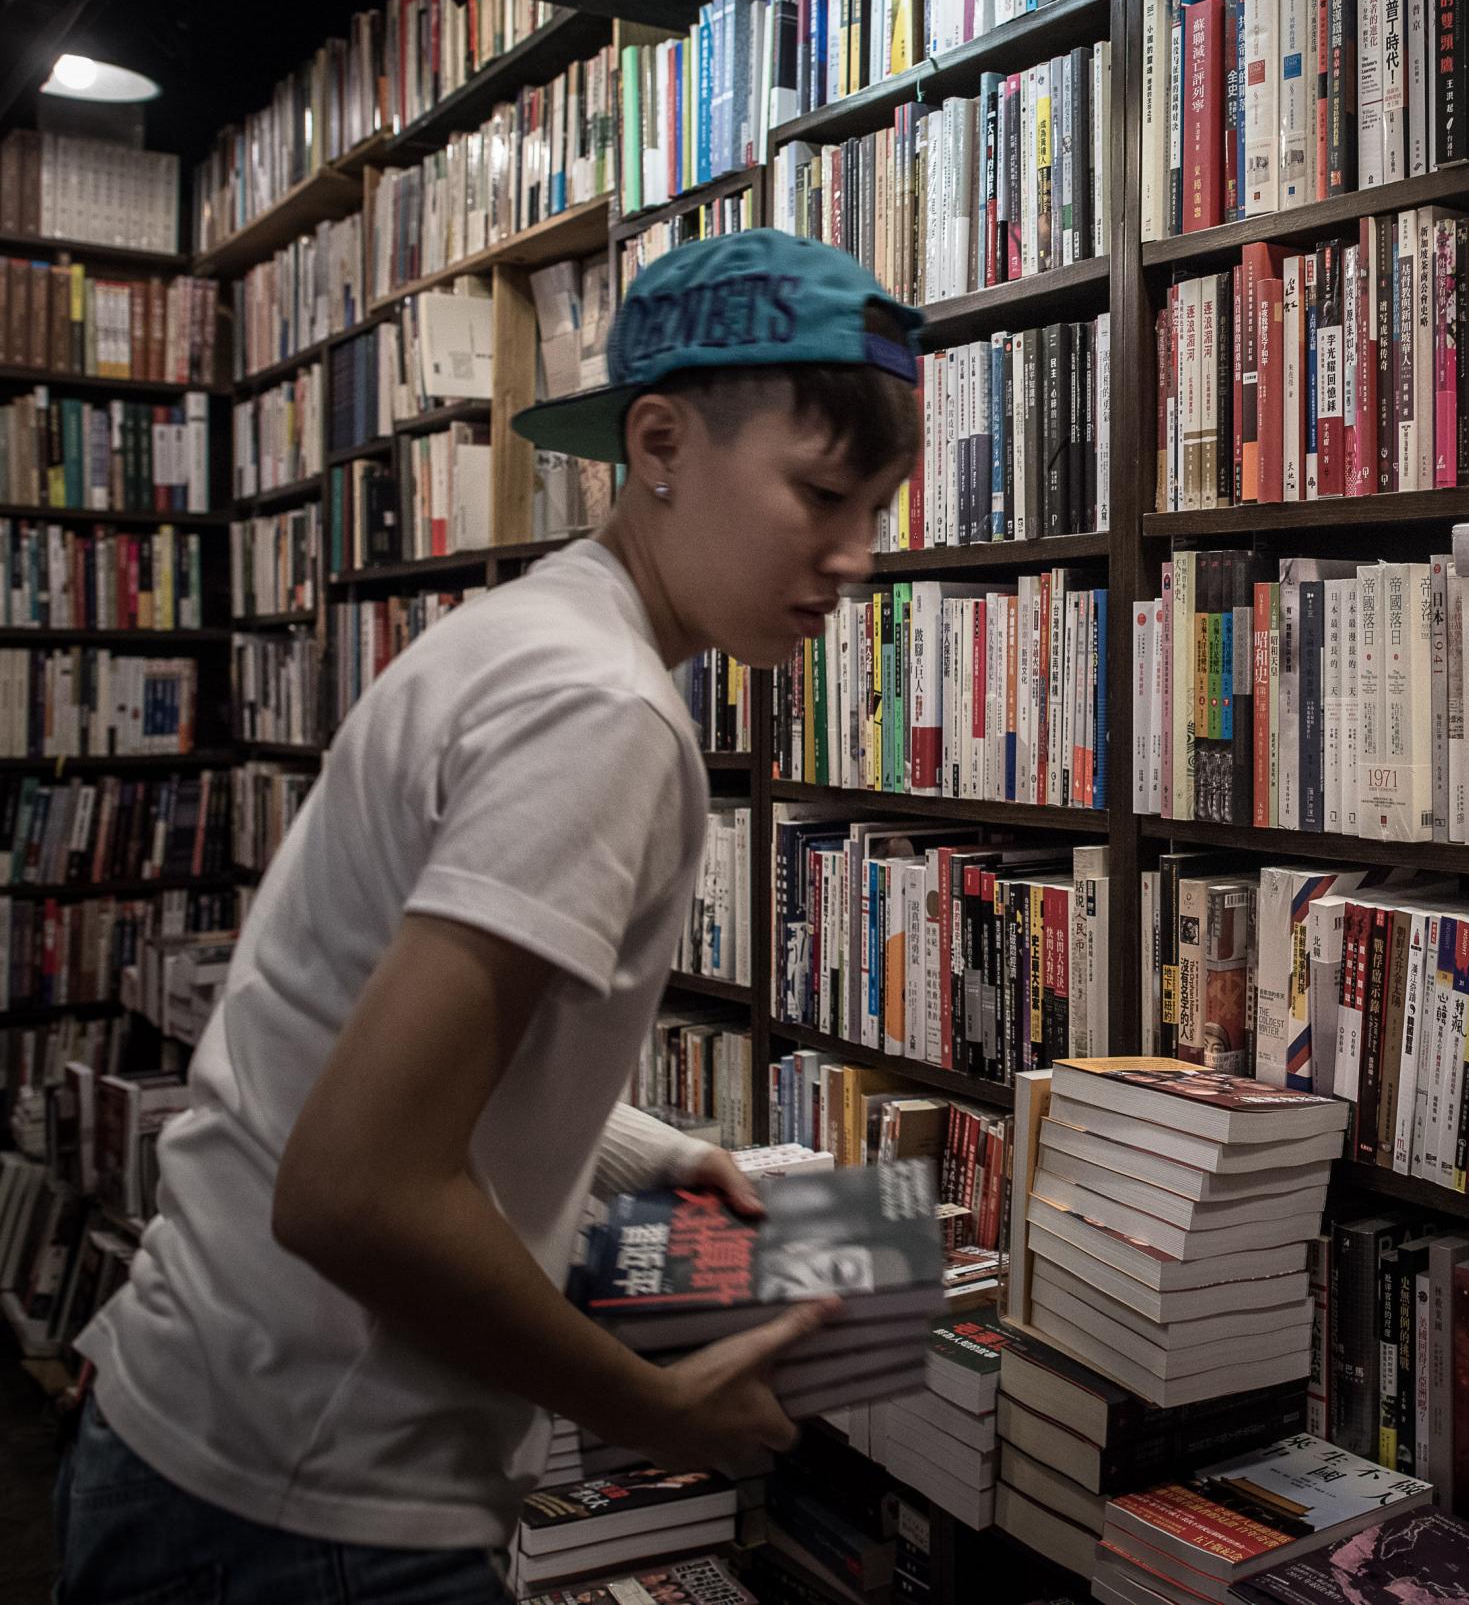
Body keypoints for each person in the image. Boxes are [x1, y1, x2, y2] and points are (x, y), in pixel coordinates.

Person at [55, 230, 922, 1604]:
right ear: (659, 441)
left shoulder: (528, 634)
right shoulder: (601, 712)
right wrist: (659, 1411)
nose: (856, 558)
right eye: (820, 495)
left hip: (216, 1426)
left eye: (875, 508)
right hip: (314, 1498)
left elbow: (340, 1013)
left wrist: (639, 1148)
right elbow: (356, 1194)